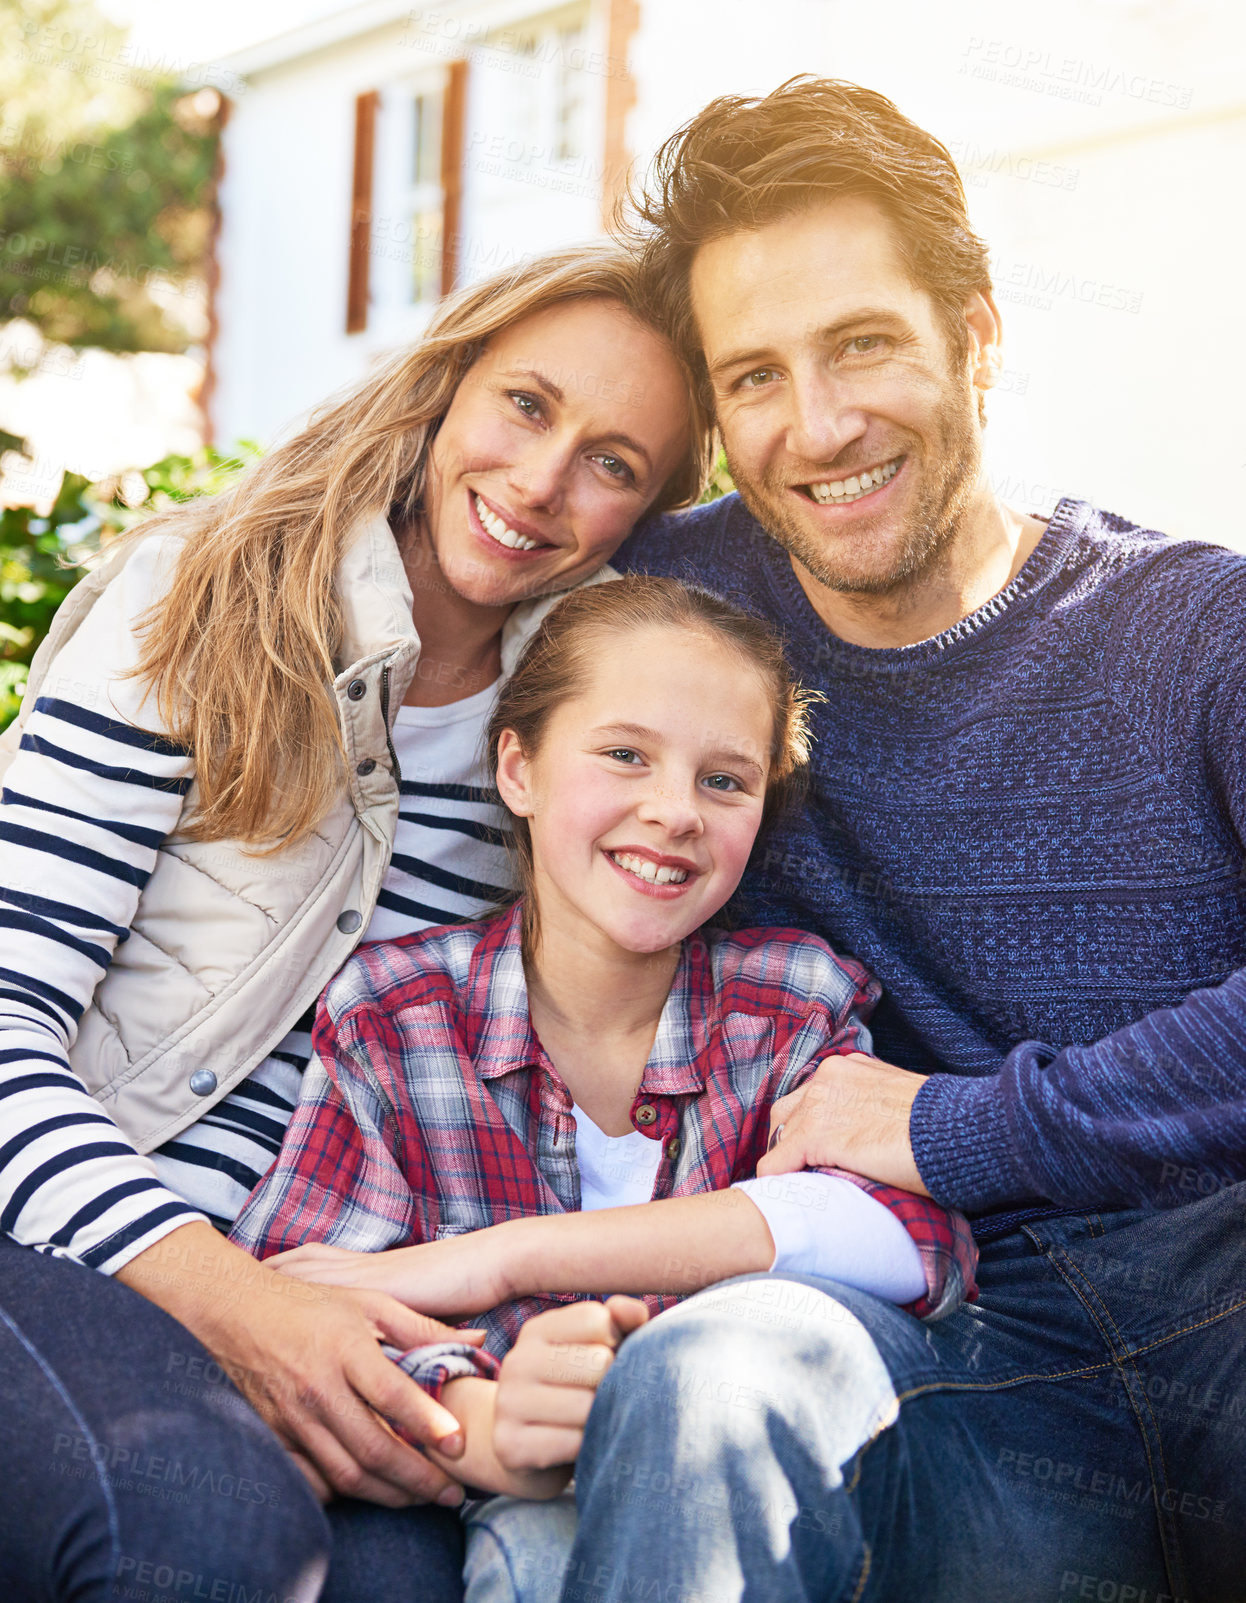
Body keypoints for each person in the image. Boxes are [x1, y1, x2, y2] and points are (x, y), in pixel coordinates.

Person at [546, 79, 1245, 1602]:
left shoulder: (1201, 630)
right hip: (940, 1327)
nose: (821, 425)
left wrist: (955, 1126)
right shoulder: (675, 624)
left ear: (976, 332)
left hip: (1226, 1284)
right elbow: (434, 595)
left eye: (860, 343)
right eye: (756, 377)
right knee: (711, 1373)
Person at [0, 245, 711, 1602]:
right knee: (214, 1544)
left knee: (409, 1582)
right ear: (445, 387)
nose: (541, 482)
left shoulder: (566, 751)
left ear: (649, 516)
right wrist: (239, 1307)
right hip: (57, 1231)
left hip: (333, 1295)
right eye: (525, 404)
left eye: (614, 462)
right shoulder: (198, 600)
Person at [227, 575, 978, 1603]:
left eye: (725, 780)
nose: (672, 811)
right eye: (624, 754)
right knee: (533, 1550)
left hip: (740, 1496)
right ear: (518, 765)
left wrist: (498, 1262)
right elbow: (291, 1309)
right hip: (500, 1500)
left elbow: (918, 1241)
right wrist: (481, 1409)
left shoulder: (788, 998)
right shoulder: (397, 1012)